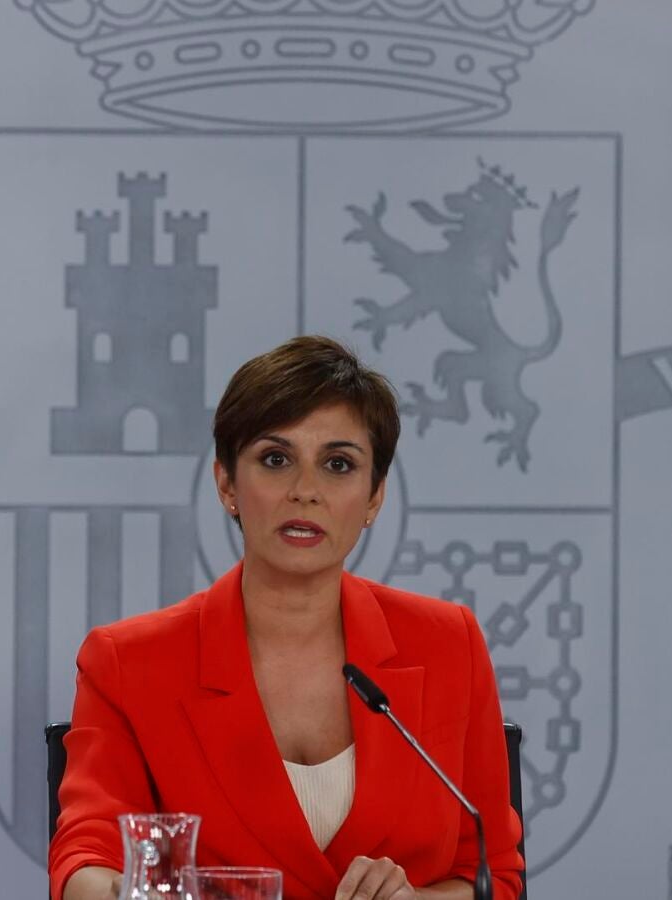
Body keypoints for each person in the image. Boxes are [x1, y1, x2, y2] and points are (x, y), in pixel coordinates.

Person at [50, 336, 523, 900]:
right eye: (276, 460)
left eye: (338, 465)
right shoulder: (129, 662)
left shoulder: (447, 644)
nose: (305, 491)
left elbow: (493, 875)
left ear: (374, 497)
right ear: (227, 483)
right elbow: (84, 861)